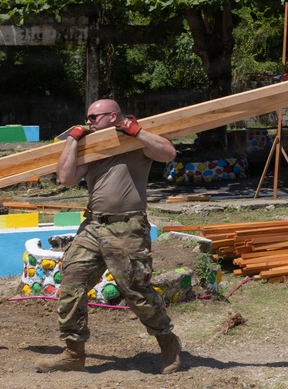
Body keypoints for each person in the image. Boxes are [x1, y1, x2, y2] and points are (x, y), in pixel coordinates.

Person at [36, 99, 182, 374]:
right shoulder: (92, 147)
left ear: (112, 115)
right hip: (93, 226)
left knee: (136, 291)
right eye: (87, 118)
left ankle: (167, 341)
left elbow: (168, 153)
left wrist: (136, 131)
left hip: (127, 227)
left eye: (93, 117)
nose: (88, 121)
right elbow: (66, 178)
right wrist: (72, 141)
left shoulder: (137, 142)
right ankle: (73, 351)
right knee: (70, 285)